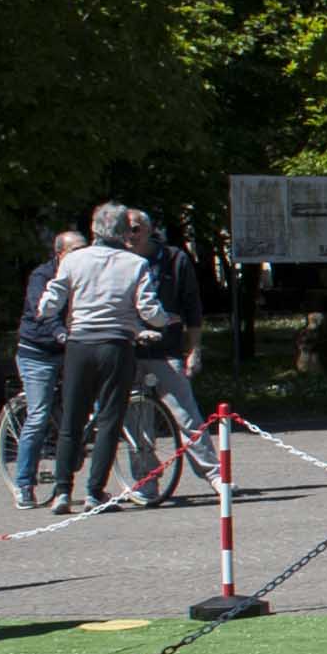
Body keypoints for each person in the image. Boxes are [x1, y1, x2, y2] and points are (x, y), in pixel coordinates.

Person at [37, 203, 177, 515]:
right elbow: (150, 311)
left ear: (93, 229)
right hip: (116, 346)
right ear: (123, 232)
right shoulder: (134, 263)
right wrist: (166, 321)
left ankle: (62, 491)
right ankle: (94, 492)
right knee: (110, 420)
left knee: (72, 419)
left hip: (79, 345)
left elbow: (52, 299)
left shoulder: (74, 259)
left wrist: (44, 308)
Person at [126, 210, 207, 504]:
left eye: (136, 229)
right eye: (126, 230)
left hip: (168, 350)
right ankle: (146, 483)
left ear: (148, 230)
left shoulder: (174, 259)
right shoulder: (118, 261)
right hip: (130, 351)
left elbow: (192, 308)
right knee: (138, 424)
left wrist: (193, 349)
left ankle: (214, 474)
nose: (131, 235)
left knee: (186, 414)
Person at [9, 229, 83, 510]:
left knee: (80, 411)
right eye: (75, 251)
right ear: (60, 254)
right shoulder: (42, 276)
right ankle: (24, 483)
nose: (81, 256)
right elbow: (43, 312)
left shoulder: (84, 276)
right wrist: (62, 334)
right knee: (38, 414)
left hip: (70, 351)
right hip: (37, 353)